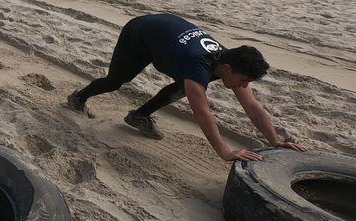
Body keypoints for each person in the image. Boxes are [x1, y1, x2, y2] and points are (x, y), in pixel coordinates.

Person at [67, 13, 306, 162]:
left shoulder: (229, 62)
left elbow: (252, 106)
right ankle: (78, 98)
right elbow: (202, 112)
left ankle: (139, 115)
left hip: (168, 35)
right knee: (116, 81)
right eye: (243, 80)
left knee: (182, 87)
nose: (243, 86)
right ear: (227, 68)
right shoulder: (198, 68)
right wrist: (224, 151)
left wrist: (275, 141)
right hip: (140, 34)